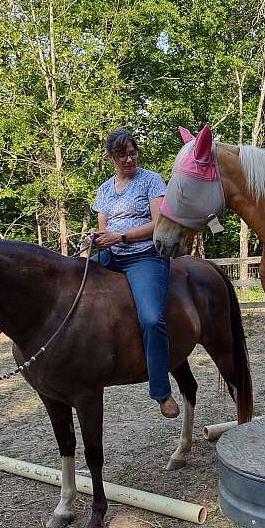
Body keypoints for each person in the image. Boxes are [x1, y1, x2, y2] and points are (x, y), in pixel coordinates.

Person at [91, 128, 179, 418]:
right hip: (112, 254)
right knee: (72, 280)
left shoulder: (151, 180)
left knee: (152, 318)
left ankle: (161, 392)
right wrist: (97, 238)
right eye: (122, 155)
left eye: (132, 153)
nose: (129, 159)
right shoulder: (104, 190)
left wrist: (121, 237)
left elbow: (158, 225)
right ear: (110, 158)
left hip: (145, 256)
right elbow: (104, 229)